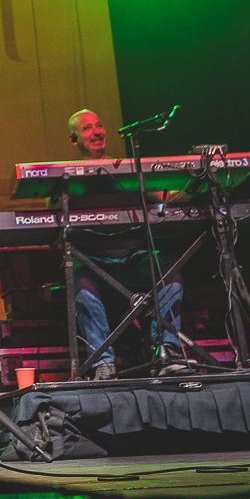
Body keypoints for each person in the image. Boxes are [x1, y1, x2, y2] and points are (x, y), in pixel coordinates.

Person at [63, 109, 187, 381]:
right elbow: (55, 216)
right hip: (94, 262)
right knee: (80, 282)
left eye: (99, 125)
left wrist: (197, 184)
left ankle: (165, 351)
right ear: (74, 139)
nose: (96, 132)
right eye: (87, 129)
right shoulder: (67, 179)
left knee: (170, 265)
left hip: (134, 258)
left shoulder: (128, 168)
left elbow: (166, 197)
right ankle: (102, 363)